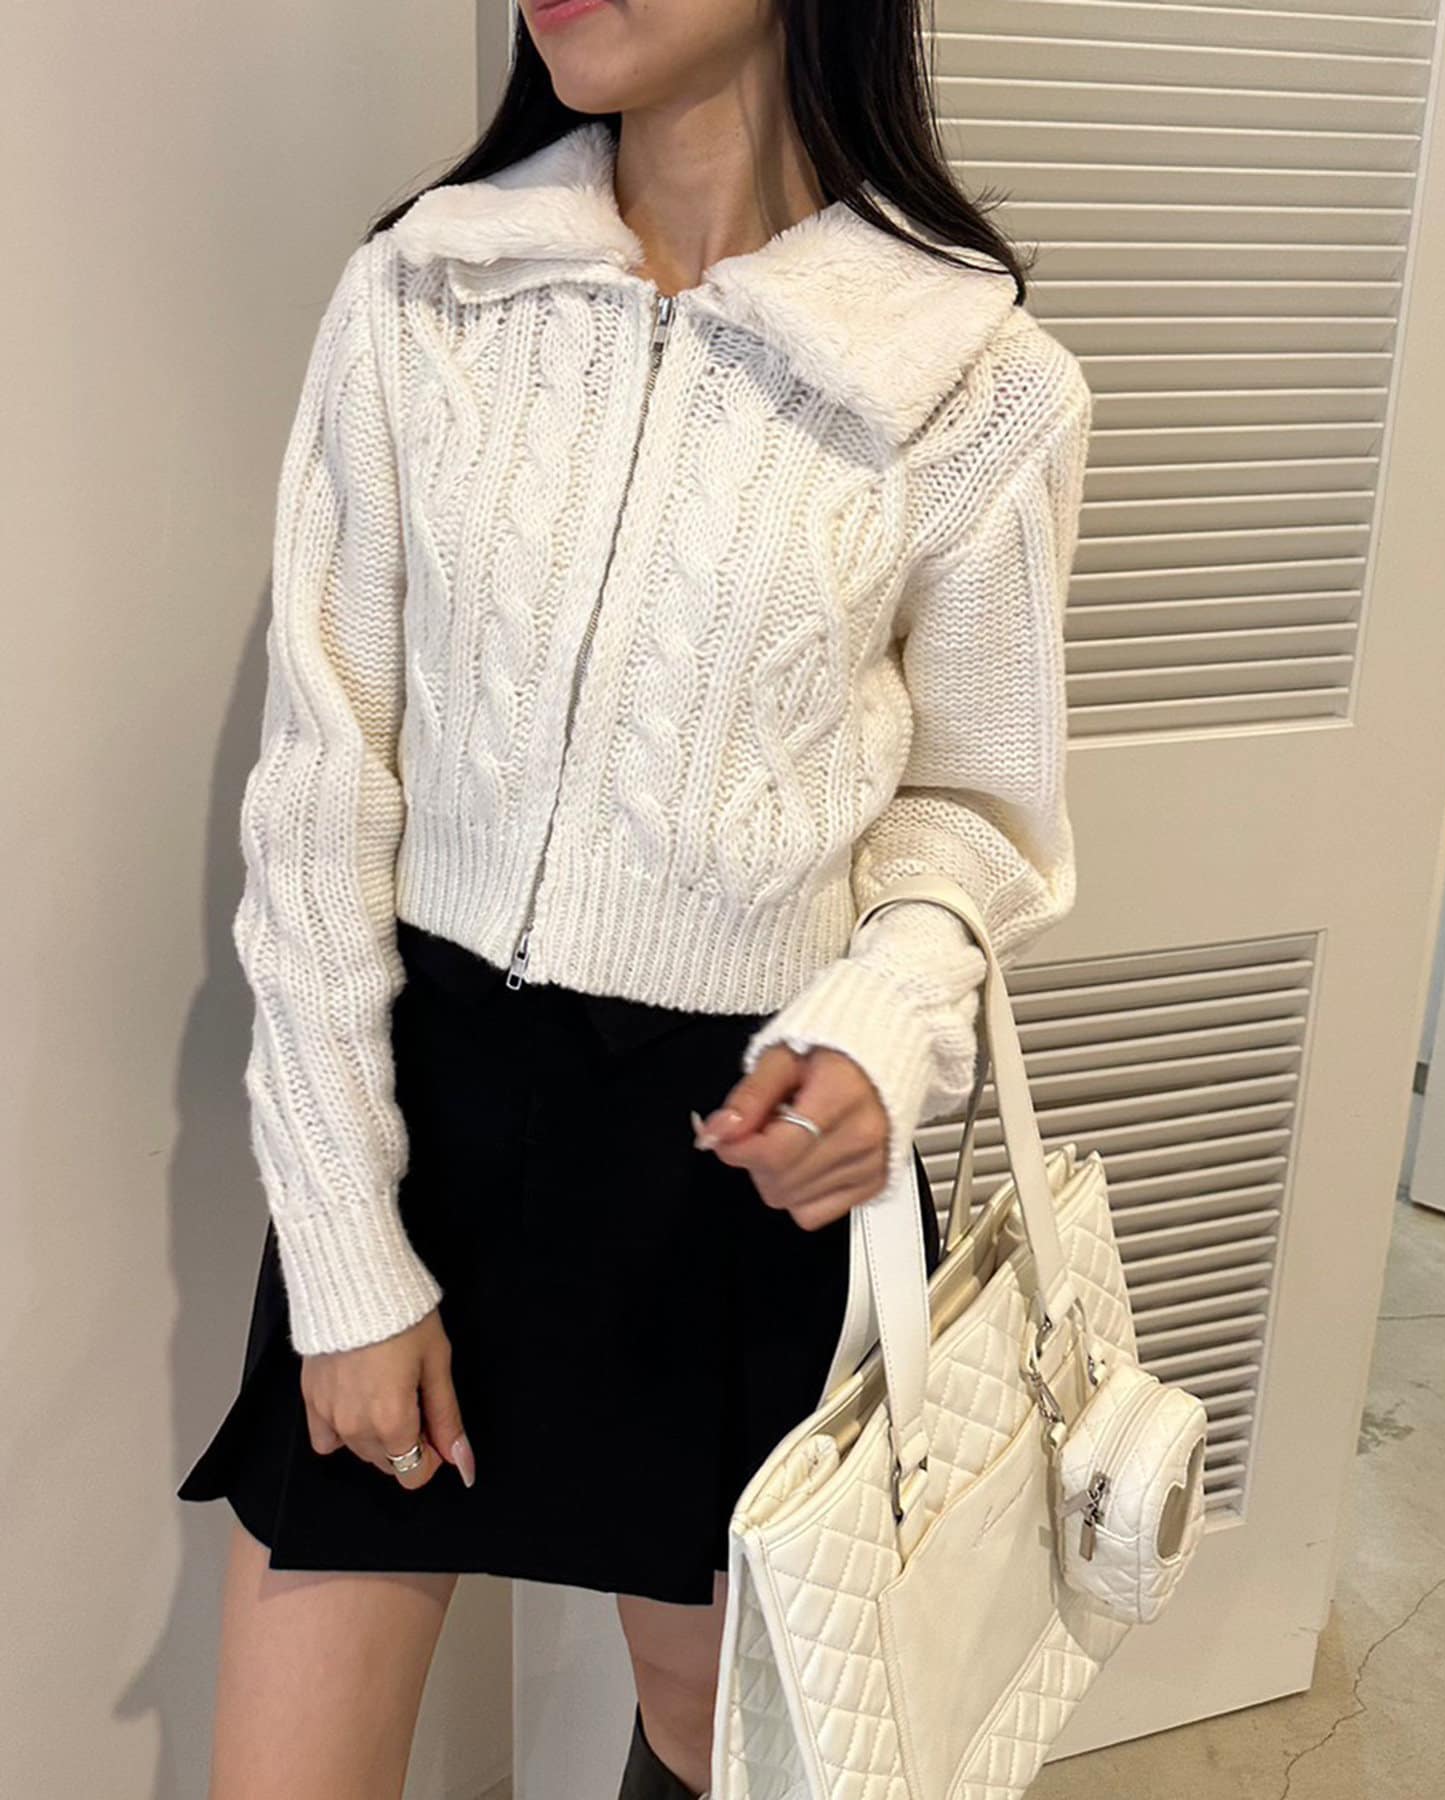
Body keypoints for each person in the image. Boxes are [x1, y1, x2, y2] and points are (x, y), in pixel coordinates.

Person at [176, 0, 1093, 1794]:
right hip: (409, 1125)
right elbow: (319, 796)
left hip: (726, 1177)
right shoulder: (425, 295)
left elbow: (974, 821)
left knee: (723, 1750)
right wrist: (347, 1259)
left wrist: (881, 1030)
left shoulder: (976, 383)